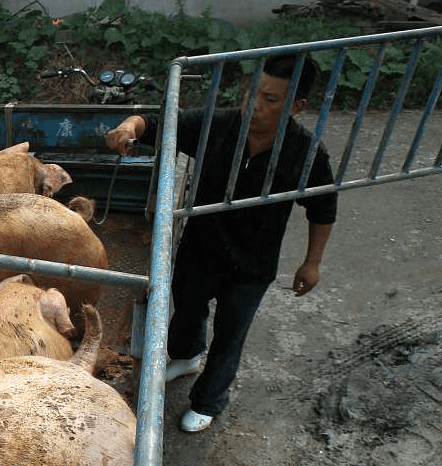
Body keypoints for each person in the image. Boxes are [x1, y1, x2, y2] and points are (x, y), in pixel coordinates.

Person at [106, 54, 337, 434]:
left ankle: (209, 399)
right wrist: (128, 125)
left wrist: (312, 262)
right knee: (187, 308)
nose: (255, 106)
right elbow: (157, 125)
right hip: (201, 247)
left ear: (296, 106)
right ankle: (185, 356)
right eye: (253, 93)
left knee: (231, 334)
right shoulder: (218, 125)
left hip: (253, 262)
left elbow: (323, 207)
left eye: (271, 100)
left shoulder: (305, 152)